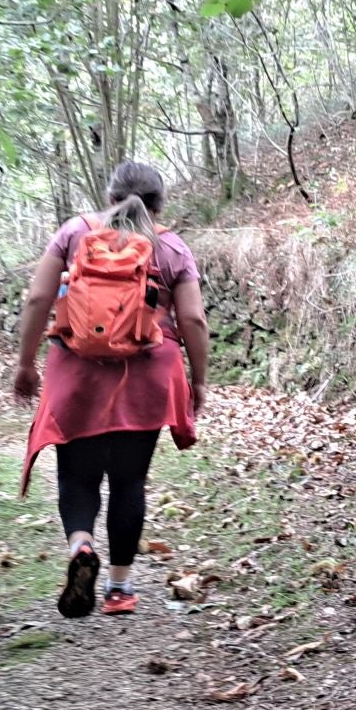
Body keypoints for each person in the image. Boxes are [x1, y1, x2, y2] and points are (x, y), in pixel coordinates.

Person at [14, 161, 210, 618]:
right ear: (161, 203)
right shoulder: (173, 247)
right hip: (147, 376)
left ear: (109, 197)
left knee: (76, 476)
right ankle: (119, 590)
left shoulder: (72, 234)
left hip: (76, 372)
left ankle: (81, 547)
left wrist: (25, 365)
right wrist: (198, 380)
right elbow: (194, 320)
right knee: (129, 481)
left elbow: (39, 299)